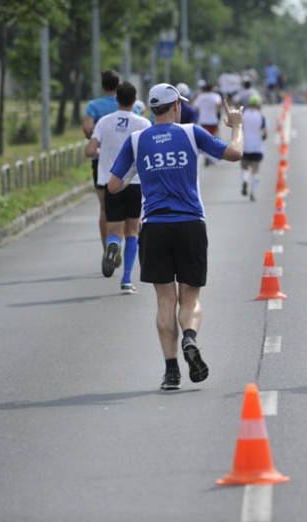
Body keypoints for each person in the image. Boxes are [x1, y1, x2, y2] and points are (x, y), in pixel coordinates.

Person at [107, 83, 244, 389]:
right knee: (190, 298)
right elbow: (235, 153)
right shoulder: (191, 133)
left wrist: (137, 171)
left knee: (164, 300)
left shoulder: (137, 140)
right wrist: (236, 126)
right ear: (176, 106)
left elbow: (114, 186)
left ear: (152, 109)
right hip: (190, 223)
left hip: (154, 226)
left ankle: (171, 372)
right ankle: (190, 338)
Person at [85, 81, 151, 293]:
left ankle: (113, 244)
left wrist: (103, 152)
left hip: (110, 183)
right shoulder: (143, 123)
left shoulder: (104, 122)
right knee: (132, 230)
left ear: (117, 99)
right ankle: (126, 279)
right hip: (134, 183)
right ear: (134, 99)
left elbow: (90, 150)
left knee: (114, 230)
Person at [83, 69, 122, 262]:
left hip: (101, 163)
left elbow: (87, 128)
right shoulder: (125, 104)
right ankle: (119, 242)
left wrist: (94, 137)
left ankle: (107, 250)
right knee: (124, 207)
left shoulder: (94, 105)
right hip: (124, 162)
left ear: (102, 85)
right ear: (118, 85)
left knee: (105, 208)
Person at [241, 94, 267, 201]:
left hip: (245, 146)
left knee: (244, 167)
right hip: (257, 147)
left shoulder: (243, 114)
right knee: (256, 170)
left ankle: (245, 180)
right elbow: (265, 133)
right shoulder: (261, 116)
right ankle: (253, 193)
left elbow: (239, 129)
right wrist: (261, 139)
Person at [192, 82, 223, 166]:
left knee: (205, 140)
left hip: (203, 121)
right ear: (212, 88)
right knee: (213, 139)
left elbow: (195, 106)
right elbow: (219, 106)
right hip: (213, 120)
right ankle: (211, 157)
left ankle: (207, 158)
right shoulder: (216, 96)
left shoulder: (201, 97)